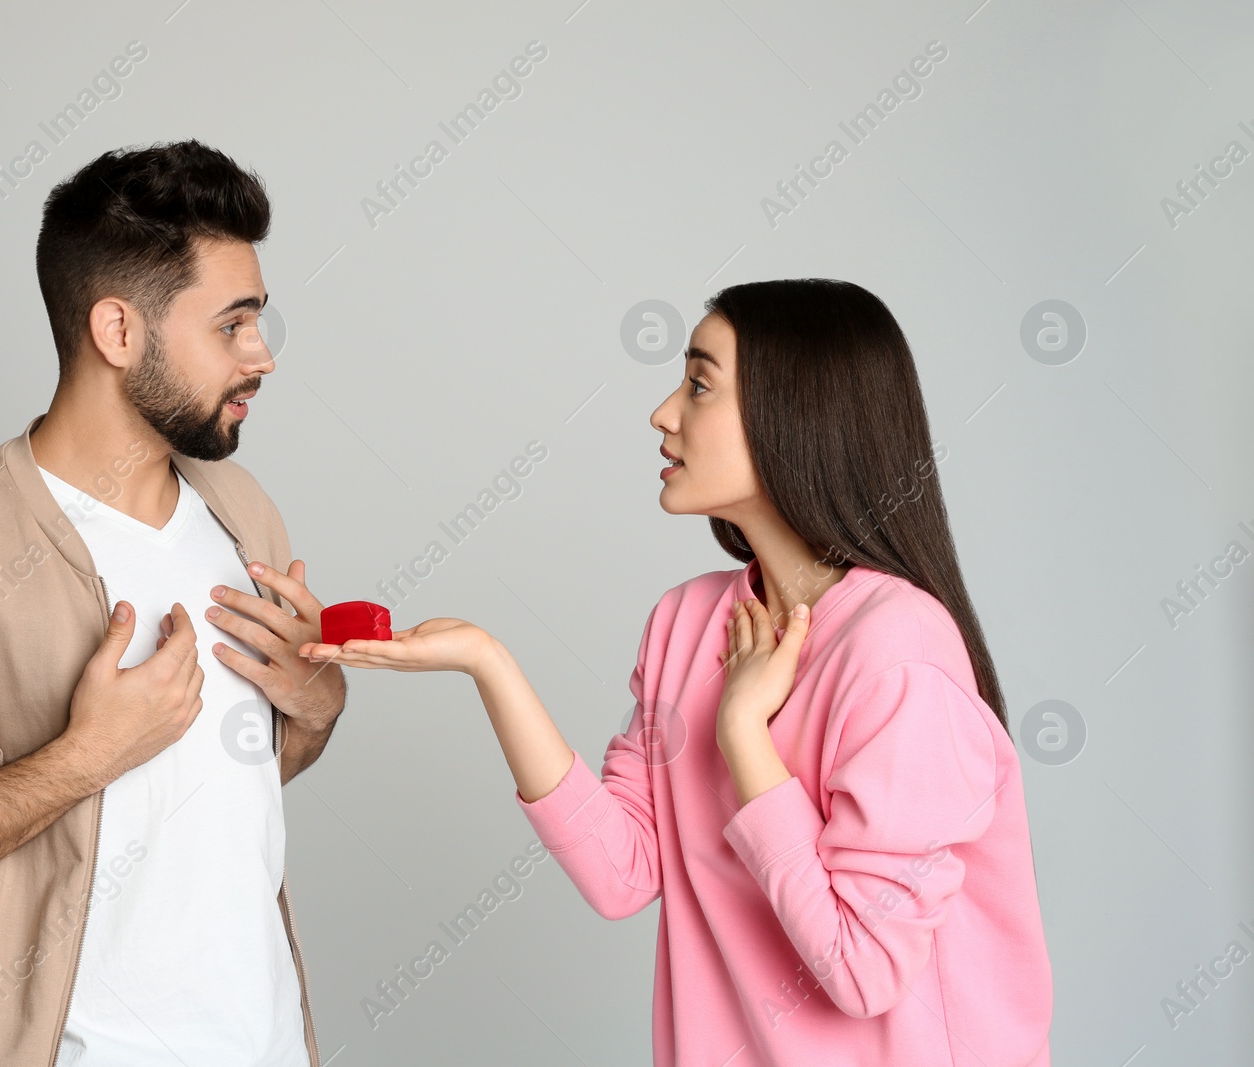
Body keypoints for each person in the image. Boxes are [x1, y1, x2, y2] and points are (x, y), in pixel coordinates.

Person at [300, 279, 1055, 1066]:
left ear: (795, 413)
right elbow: (622, 871)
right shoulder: (686, 623)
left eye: (699, 384)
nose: (665, 412)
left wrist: (743, 737)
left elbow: (862, 968)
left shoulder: (898, 650)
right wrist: (488, 664)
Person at [0, 140, 342, 1067]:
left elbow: (210, 790)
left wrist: (316, 708)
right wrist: (82, 757)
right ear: (118, 332)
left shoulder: (242, 514)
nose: (261, 358)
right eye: (233, 326)